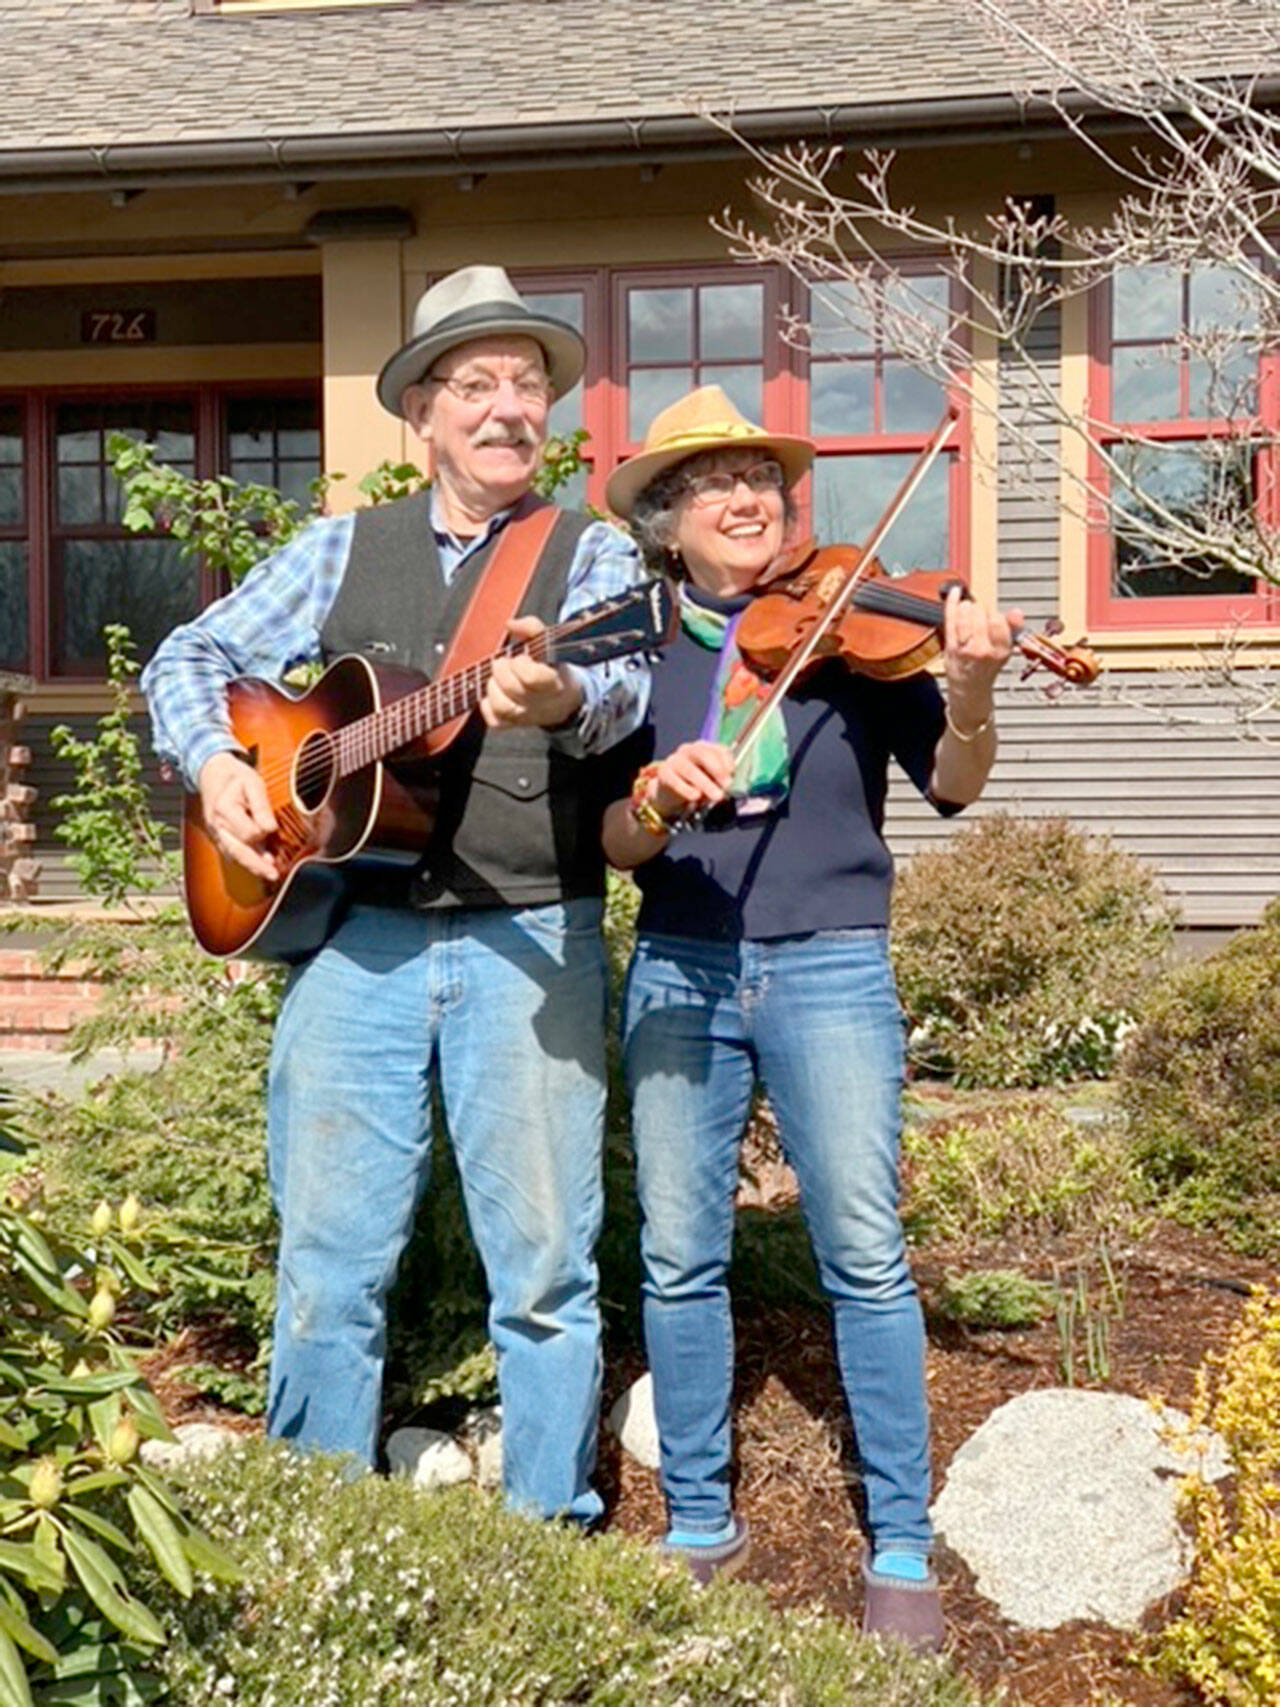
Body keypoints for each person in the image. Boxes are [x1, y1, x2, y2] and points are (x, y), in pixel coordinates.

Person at [141, 265, 650, 1525]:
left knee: (540, 1272)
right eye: (473, 384)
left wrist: (564, 696)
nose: (504, 407)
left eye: (525, 384)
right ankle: (310, 1524)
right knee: (326, 1260)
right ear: (420, 417)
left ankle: (547, 1538)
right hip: (353, 941)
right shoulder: (338, 548)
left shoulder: (594, 557)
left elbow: (628, 682)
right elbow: (189, 653)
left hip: (529, 932)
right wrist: (217, 767)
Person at [601, 385, 1021, 1648]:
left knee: (864, 1254)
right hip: (676, 962)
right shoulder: (632, 649)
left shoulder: (855, 626)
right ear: (669, 523)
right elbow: (614, 843)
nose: (747, 497)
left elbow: (953, 781)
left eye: (762, 478)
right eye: (712, 482)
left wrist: (973, 689)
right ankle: (695, 1520)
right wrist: (658, 800)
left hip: (831, 962)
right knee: (678, 1256)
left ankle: (898, 1538)